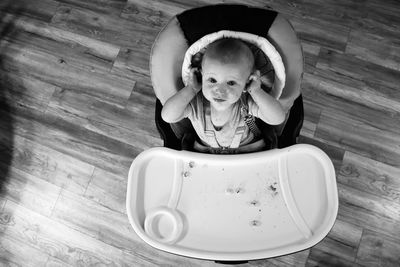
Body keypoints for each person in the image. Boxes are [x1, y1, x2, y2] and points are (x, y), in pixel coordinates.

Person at [161, 38, 285, 153]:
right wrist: (191, 89)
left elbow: (277, 118)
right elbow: (168, 116)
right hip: (205, 154)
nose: (220, 91)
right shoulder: (195, 104)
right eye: (212, 80)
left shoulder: (247, 103)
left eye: (231, 83)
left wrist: (256, 91)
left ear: (248, 81)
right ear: (201, 75)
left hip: (247, 152)